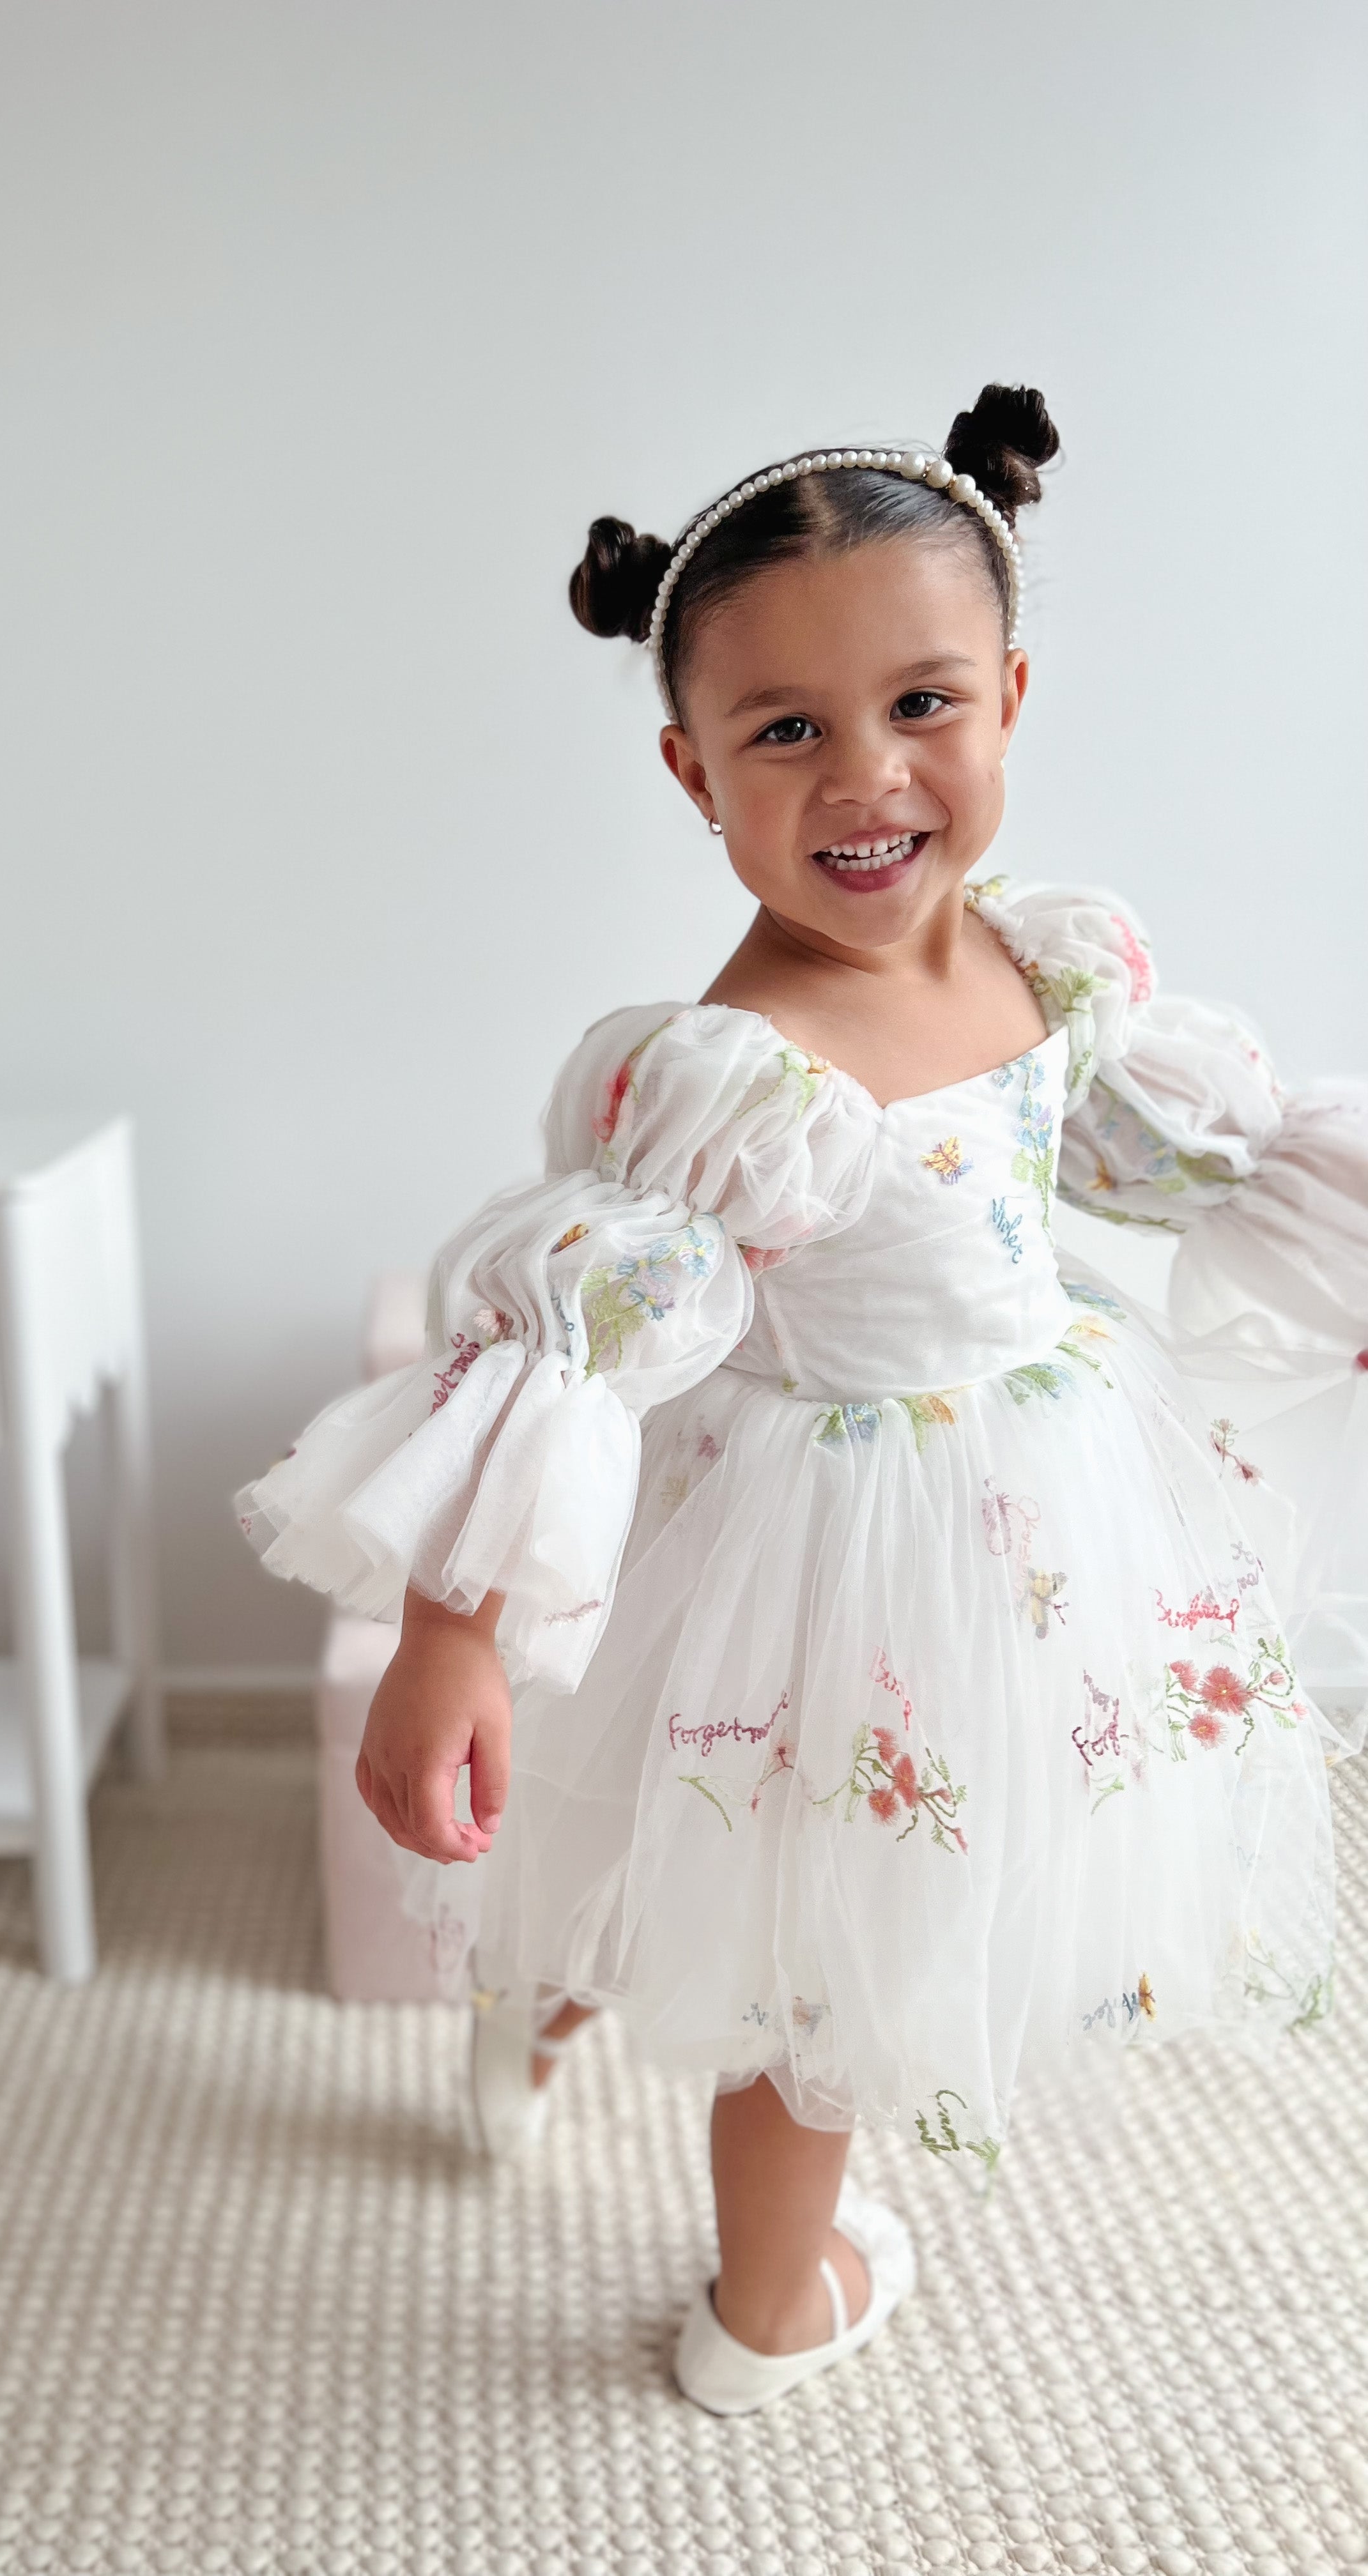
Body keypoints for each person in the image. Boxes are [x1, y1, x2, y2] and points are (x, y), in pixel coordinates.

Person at [236, 387, 1368, 2413]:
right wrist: (445, 1634)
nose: (869, 776)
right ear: (692, 769)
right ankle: (767, 2311)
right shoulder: (742, 1078)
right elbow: (568, 1352)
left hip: (1042, 1494)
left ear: (1012, 693)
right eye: (787, 732)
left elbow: (1150, 1157)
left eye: (923, 703)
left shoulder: (1045, 966)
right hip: (817, 1543)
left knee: (893, 1868)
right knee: (810, 1969)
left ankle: (569, 1997)